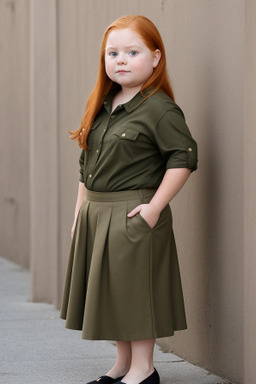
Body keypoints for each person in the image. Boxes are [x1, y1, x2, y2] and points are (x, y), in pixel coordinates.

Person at [60, 14, 198, 384]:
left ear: (155, 58)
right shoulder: (103, 103)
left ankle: (144, 369)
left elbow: (183, 158)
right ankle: (122, 366)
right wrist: (79, 214)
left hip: (132, 211)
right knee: (115, 292)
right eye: (113, 53)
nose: (120, 60)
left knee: (136, 291)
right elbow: (84, 163)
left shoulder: (160, 109)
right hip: (97, 211)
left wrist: (154, 209)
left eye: (132, 52)